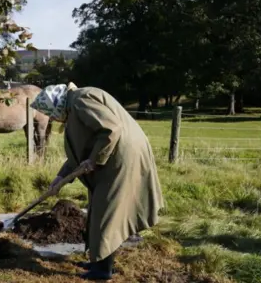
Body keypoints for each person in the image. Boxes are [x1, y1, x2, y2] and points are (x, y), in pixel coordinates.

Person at [31, 82, 164, 281]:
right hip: (112, 159)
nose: (51, 118)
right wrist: (61, 177)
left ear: (56, 105)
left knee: (106, 212)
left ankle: (102, 271)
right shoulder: (75, 105)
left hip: (120, 159)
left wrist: (94, 160)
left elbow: (111, 129)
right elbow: (81, 150)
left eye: (50, 113)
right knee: (100, 209)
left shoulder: (81, 101)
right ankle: (98, 260)